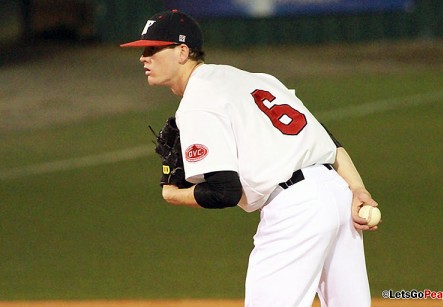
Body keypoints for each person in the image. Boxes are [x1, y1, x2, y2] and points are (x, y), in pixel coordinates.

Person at [121, 9, 380, 307]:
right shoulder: (250, 78)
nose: (144, 57)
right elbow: (326, 138)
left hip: (296, 212)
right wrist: (358, 188)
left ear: (182, 52)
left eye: (153, 49)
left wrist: (172, 193)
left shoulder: (197, 102)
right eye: (143, 50)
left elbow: (225, 192)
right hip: (338, 194)